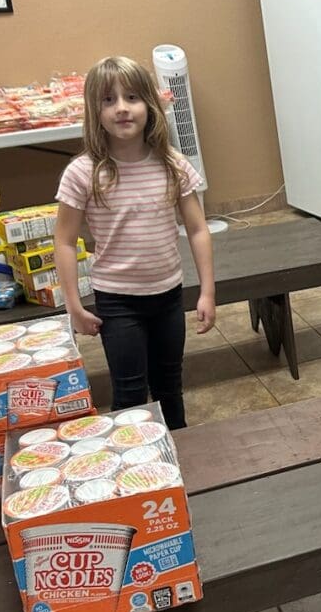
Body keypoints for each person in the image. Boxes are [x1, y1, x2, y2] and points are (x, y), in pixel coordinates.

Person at [54, 55, 216, 430]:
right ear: (95, 111)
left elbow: (197, 229)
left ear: (149, 104)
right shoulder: (84, 172)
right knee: (129, 392)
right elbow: (64, 241)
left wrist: (207, 291)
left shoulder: (172, 164)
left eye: (131, 97)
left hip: (168, 297)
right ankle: (133, 469)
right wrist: (73, 306)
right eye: (108, 100)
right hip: (117, 301)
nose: (122, 109)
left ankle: (177, 461)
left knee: (169, 388)